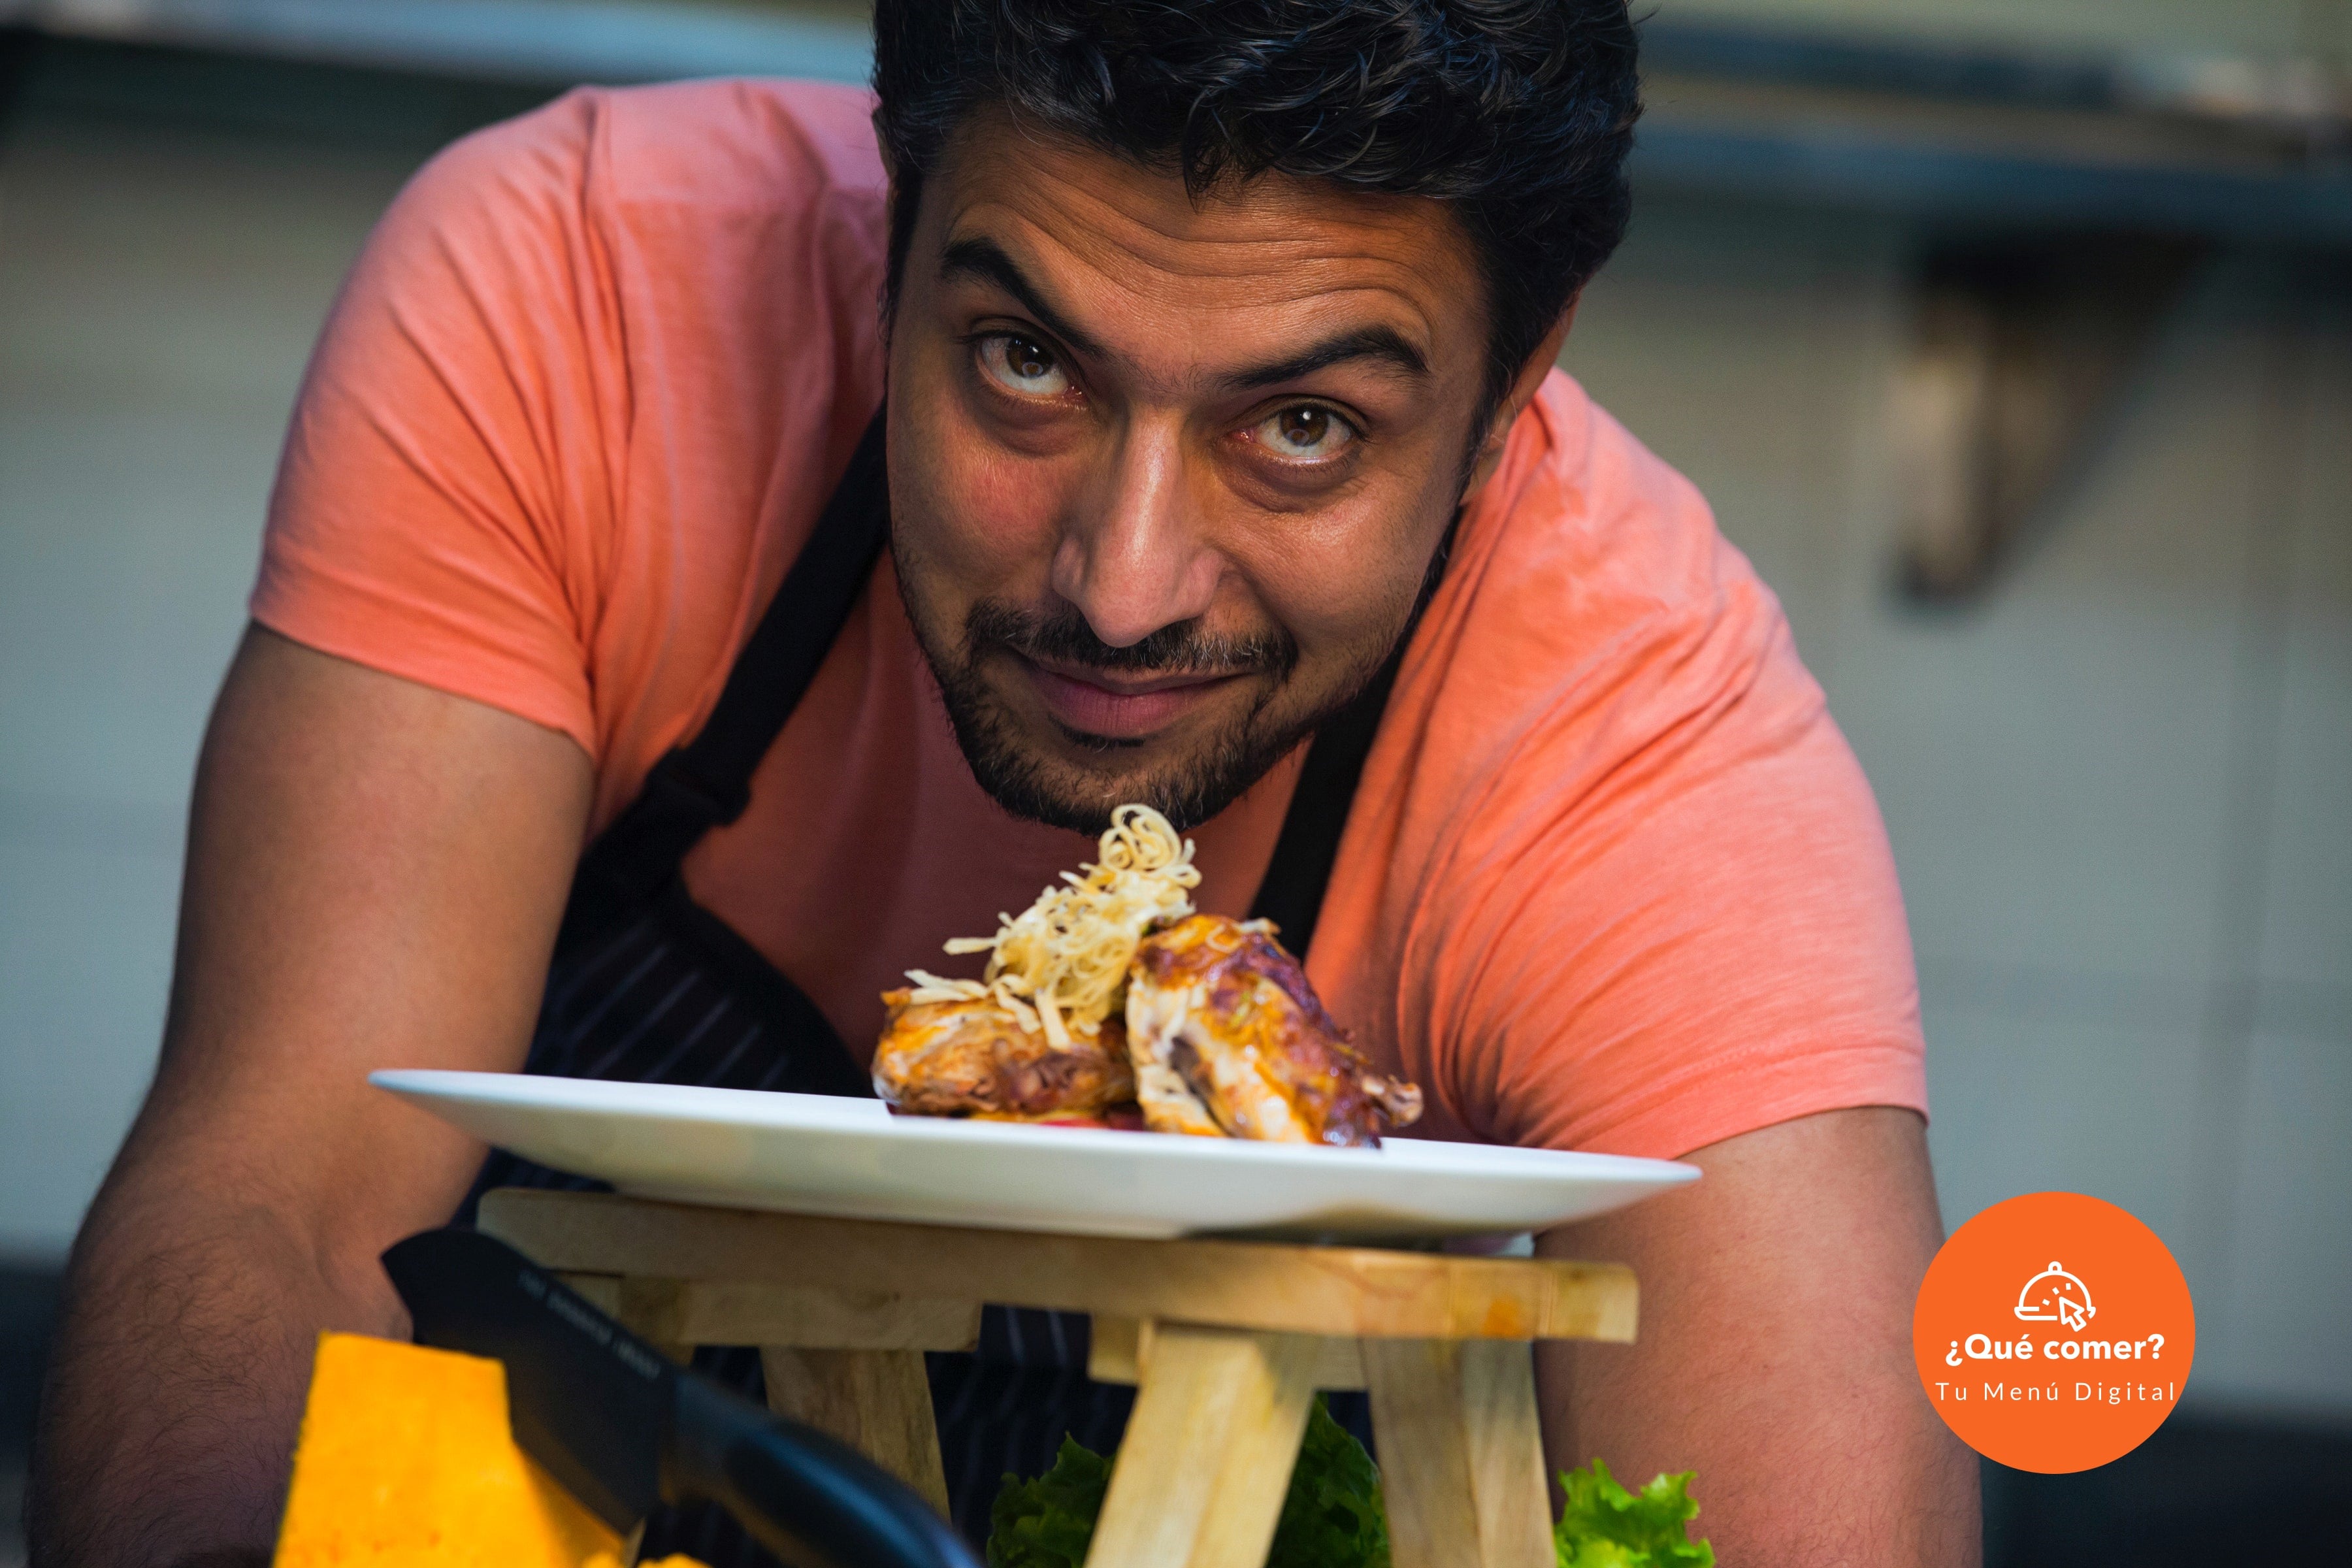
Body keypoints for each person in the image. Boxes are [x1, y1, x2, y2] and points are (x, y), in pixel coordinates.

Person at [29, 1, 1978, 1563]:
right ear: (894, 220)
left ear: (1516, 380)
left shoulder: (1650, 761)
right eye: (1025, 364)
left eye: (1302, 428)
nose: (1120, 587)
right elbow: (277, 1204)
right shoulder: (580, 299)